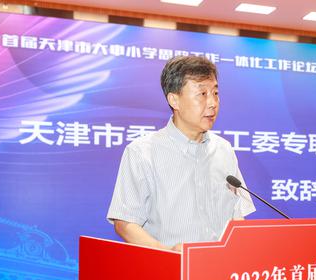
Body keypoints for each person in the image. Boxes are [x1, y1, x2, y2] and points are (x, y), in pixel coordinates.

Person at [107, 56, 255, 251]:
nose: (212, 103)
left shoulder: (224, 150)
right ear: (174, 100)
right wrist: (168, 254)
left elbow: (237, 215)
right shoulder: (142, 152)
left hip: (221, 266)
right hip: (167, 267)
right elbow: (125, 223)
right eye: (202, 94)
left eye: (215, 93)